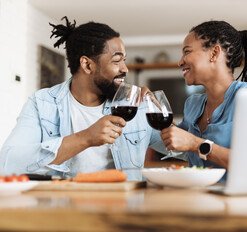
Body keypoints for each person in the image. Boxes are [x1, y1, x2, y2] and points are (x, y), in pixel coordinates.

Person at [0, 17, 166, 180]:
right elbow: (7, 163)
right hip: (62, 206)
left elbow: (181, 149)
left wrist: (162, 114)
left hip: (125, 205)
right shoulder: (42, 103)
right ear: (87, 65)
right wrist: (86, 138)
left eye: (124, 60)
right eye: (116, 61)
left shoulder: (133, 103)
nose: (125, 69)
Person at [160, 20, 247, 173]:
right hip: (196, 194)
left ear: (214, 53)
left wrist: (196, 144)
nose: (180, 62)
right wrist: (146, 106)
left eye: (187, 51)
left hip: (236, 196)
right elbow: (173, 141)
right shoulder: (192, 104)